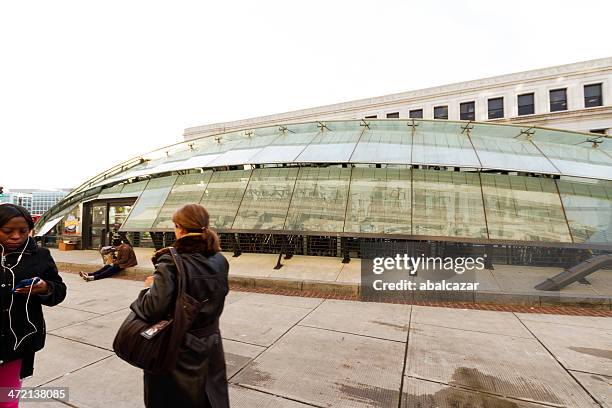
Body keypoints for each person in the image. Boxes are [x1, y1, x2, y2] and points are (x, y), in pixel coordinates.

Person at [130, 204, 230, 408]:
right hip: (211, 344)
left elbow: (152, 308)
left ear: (179, 227)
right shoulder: (220, 260)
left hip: (177, 349)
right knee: (210, 399)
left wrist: (148, 289)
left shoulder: (171, 261)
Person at [0, 204, 66, 407]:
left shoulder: (41, 255)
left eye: (23, 231)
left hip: (18, 340)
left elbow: (59, 290)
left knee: (6, 398)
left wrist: (46, 288)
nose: (16, 236)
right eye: (7, 231)